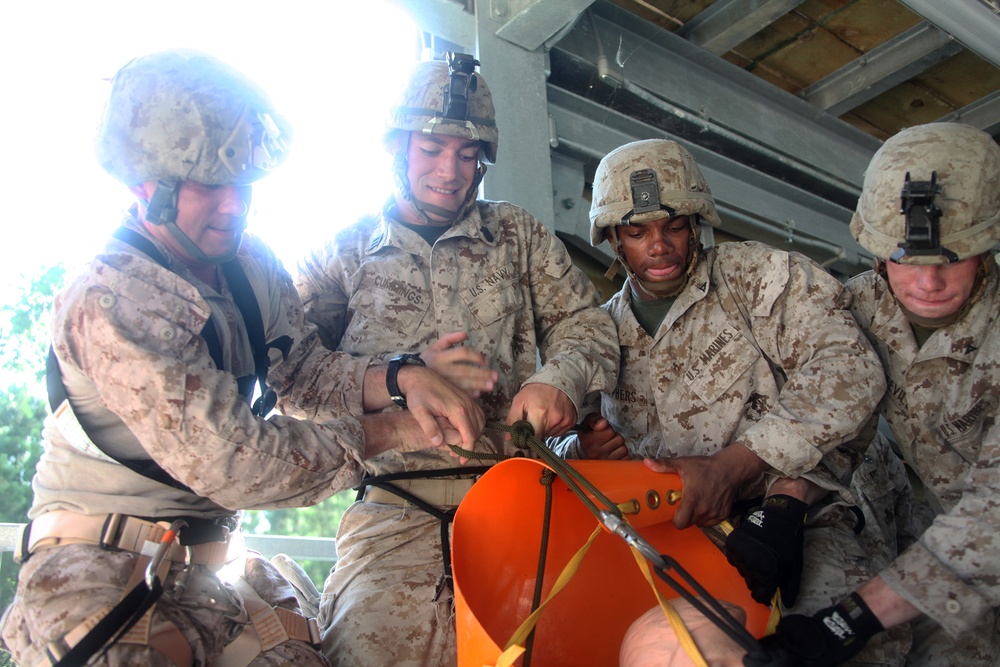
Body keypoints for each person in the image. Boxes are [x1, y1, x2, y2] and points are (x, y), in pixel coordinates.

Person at [0, 50, 481, 667]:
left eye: (243, 183)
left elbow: (303, 371)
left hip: (199, 583)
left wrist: (399, 375)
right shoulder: (114, 296)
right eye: (209, 187)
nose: (235, 207)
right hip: (96, 581)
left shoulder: (249, 267)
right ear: (145, 184)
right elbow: (234, 461)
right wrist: (390, 430)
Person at [292, 53, 619, 667]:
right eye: (432, 148)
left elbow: (588, 325)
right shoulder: (343, 253)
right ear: (397, 147)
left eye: (468, 155)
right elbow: (291, 380)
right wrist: (396, 376)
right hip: (391, 517)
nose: (450, 171)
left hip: (518, 507)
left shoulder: (517, 236)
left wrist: (559, 380)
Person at [556, 138, 909, 665]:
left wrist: (737, 467)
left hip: (796, 517)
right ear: (610, 238)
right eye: (636, 231)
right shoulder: (597, 331)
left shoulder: (759, 278)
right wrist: (582, 448)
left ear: (697, 222)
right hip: (675, 545)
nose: (659, 246)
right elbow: (549, 446)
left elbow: (848, 367)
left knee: (840, 646)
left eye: (673, 225)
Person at [746, 123, 1000, 666]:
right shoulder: (861, 307)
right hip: (933, 549)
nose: (928, 284)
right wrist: (786, 502)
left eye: (950, 258)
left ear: (986, 244)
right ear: (879, 250)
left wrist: (852, 619)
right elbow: (837, 424)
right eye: (908, 259)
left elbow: (993, 515)